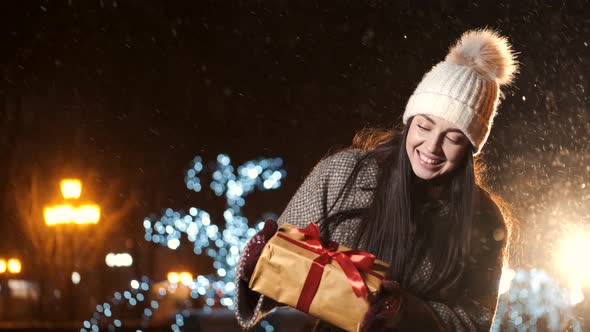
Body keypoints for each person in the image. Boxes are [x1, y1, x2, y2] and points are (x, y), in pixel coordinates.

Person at [235, 28, 518, 331]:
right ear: (409, 121)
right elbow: (286, 272)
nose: (432, 147)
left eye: (453, 138)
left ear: (472, 147)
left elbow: (474, 322)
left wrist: (404, 314)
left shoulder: (484, 218)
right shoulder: (343, 174)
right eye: (424, 126)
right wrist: (257, 269)